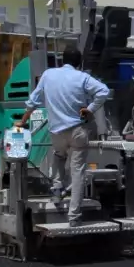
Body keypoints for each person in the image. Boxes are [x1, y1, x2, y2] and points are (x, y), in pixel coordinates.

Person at [15, 47, 110, 227]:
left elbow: (33, 100)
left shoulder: (48, 75)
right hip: (77, 132)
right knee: (77, 173)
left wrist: (23, 121)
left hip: (56, 132)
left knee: (58, 156)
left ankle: (57, 190)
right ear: (79, 63)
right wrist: (90, 109)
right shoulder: (82, 78)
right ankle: (74, 217)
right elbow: (103, 91)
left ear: (62, 61)